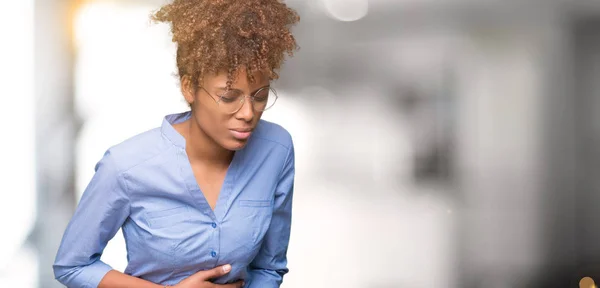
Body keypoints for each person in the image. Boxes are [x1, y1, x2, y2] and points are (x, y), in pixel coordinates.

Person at [53, 0, 299, 287]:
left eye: (259, 96)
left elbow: (269, 269)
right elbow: (72, 266)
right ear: (188, 87)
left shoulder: (276, 150)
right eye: (229, 97)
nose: (248, 114)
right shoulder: (125, 166)